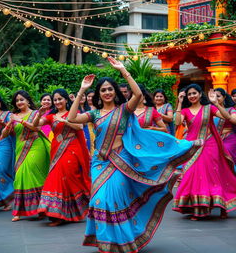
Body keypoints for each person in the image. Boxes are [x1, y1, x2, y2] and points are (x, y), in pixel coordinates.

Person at [67, 57, 201, 253]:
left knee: (113, 201)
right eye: (103, 90)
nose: (106, 92)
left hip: (121, 161)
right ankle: (105, 240)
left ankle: (122, 240)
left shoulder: (124, 110)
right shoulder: (94, 114)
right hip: (100, 162)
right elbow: (71, 118)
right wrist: (81, 91)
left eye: (109, 89)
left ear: (115, 92)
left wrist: (123, 70)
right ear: (98, 93)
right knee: (98, 200)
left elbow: (137, 94)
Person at [173, 84, 236, 220]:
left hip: (210, 145)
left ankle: (220, 206)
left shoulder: (209, 108)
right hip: (192, 146)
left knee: (211, 175)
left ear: (201, 94)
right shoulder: (185, 111)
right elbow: (177, 122)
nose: (192, 96)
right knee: (191, 174)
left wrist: (216, 103)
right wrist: (179, 103)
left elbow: (227, 117)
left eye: (194, 93)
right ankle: (197, 207)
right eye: (189, 94)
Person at [33, 89, 91, 227]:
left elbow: (79, 126)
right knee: (56, 178)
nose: (57, 102)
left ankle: (63, 213)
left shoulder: (73, 113)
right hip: (57, 150)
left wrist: (64, 121)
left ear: (66, 100)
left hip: (72, 149)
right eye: (55, 100)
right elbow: (36, 126)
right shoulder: (51, 116)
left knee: (67, 178)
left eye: (60, 99)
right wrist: (38, 115)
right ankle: (60, 213)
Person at [2, 90, 50, 222]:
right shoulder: (14, 116)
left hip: (36, 145)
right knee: (19, 176)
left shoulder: (35, 113)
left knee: (32, 173)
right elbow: (4, 135)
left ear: (28, 101)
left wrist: (20, 121)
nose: (19, 102)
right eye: (17, 101)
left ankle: (41, 208)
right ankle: (18, 210)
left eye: (21, 99)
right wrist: (7, 126)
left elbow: (36, 129)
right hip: (20, 148)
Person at [214, 88, 236, 166]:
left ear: (224, 97)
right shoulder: (210, 110)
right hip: (215, 139)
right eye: (214, 96)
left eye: (218, 96)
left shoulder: (230, 110)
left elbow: (234, 120)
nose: (215, 98)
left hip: (229, 138)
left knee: (226, 149)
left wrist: (217, 105)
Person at [86, 90, 96, 155]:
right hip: (86, 131)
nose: (90, 98)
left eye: (92, 97)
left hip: (95, 131)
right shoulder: (84, 108)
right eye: (88, 96)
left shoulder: (99, 107)